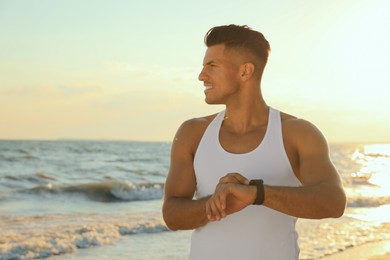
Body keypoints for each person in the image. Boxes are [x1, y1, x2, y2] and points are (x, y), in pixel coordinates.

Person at [162, 24, 346, 260]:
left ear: (245, 72)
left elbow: (333, 201)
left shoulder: (297, 133)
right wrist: (220, 204)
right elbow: (172, 215)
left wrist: (257, 194)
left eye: (212, 66)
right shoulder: (193, 132)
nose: (201, 75)